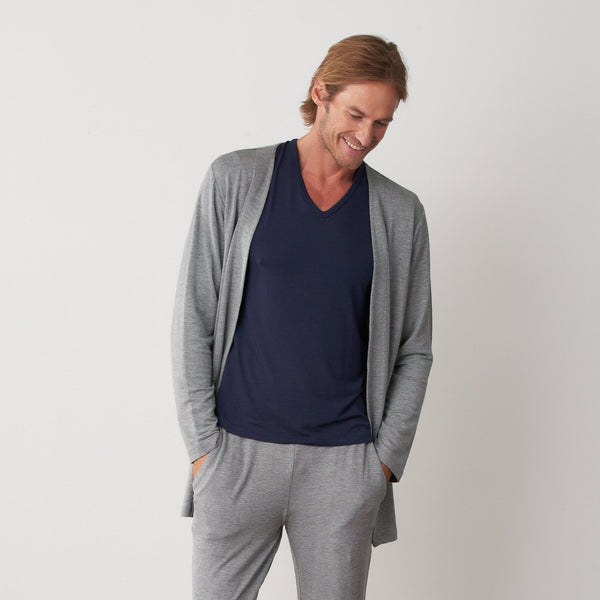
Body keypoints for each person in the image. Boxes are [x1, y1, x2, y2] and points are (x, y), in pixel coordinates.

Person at [171, 34, 433, 600]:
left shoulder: (399, 212)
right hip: (235, 456)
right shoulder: (235, 179)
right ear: (321, 93)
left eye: (382, 123)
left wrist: (382, 463)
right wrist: (203, 449)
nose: (366, 136)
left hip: (344, 466)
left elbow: (414, 348)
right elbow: (194, 316)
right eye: (356, 114)